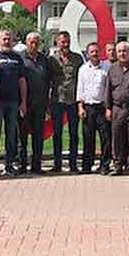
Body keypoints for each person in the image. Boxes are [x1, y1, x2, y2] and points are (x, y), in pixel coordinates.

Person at [0, 30, 27, 175]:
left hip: (13, 102)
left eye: (9, 39)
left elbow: (22, 80)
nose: (7, 41)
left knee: (11, 135)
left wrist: (23, 102)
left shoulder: (17, 57)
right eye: (4, 39)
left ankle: (9, 164)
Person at [48, 31, 83, 173]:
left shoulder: (77, 59)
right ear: (57, 42)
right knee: (57, 134)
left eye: (67, 41)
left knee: (73, 134)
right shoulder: (51, 59)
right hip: (57, 100)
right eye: (62, 41)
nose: (65, 44)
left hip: (73, 101)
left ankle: (73, 164)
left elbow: (82, 80)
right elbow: (48, 81)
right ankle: (57, 164)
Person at [105, 41, 129, 176]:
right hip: (117, 109)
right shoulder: (112, 69)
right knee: (117, 138)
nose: (122, 54)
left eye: (124, 51)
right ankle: (118, 165)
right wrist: (108, 108)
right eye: (119, 51)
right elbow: (108, 89)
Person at [77, 42, 111, 175]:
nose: (95, 54)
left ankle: (104, 165)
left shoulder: (106, 67)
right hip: (88, 108)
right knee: (88, 138)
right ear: (87, 54)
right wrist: (80, 107)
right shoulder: (83, 69)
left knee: (105, 138)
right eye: (92, 52)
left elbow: (109, 89)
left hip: (102, 108)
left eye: (97, 51)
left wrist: (108, 108)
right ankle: (87, 165)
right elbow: (80, 89)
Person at [20, 32, 51, 174]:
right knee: (23, 137)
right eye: (31, 42)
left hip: (40, 104)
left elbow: (48, 82)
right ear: (26, 43)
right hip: (24, 104)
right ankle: (22, 166)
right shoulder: (20, 58)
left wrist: (47, 104)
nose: (34, 45)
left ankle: (36, 166)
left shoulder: (44, 60)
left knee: (38, 137)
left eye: (37, 43)